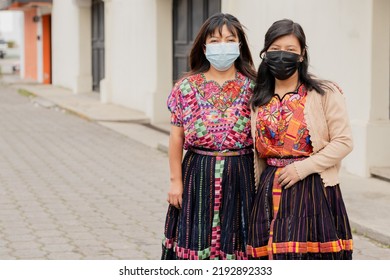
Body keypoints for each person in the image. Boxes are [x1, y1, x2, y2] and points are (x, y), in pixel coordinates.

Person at [247, 19, 354, 260]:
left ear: (302, 54)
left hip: (312, 188)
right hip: (269, 188)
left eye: (290, 50)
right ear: (265, 53)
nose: (282, 55)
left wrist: (302, 168)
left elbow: (344, 141)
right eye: (275, 50)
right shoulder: (257, 98)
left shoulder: (324, 92)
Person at [161, 13, 257, 260]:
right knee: (196, 241)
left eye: (229, 39)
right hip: (197, 175)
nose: (222, 46)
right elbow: (176, 139)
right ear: (204, 48)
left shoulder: (256, 88)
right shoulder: (186, 87)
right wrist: (175, 181)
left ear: (240, 45)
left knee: (239, 242)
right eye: (214, 41)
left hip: (242, 176)